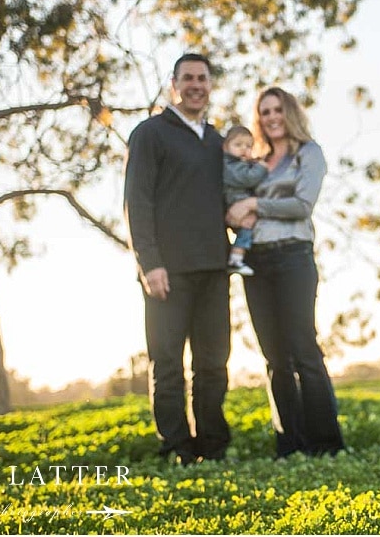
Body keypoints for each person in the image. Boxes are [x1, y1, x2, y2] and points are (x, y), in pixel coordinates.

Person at [123, 52, 232, 466]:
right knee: (167, 364)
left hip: (214, 269)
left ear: (210, 85)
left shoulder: (218, 140)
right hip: (166, 272)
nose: (195, 85)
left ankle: (213, 447)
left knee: (213, 365)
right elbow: (137, 201)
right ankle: (176, 448)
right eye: (187, 78)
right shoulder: (149, 134)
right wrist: (149, 263)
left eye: (202, 78)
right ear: (174, 84)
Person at [225, 86, 345, 459]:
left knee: (304, 349)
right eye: (264, 112)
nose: (271, 117)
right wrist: (235, 212)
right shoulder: (255, 160)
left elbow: (301, 205)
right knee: (274, 356)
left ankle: (326, 443)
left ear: (289, 112)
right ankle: (288, 443)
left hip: (294, 256)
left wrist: (253, 203)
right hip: (256, 263)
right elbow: (236, 206)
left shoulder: (308, 153)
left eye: (277, 109)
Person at [222, 125, 269, 277]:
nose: (244, 149)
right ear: (226, 147)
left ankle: (238, 257)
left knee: (248, 228)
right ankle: (235, 259)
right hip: (235, 202)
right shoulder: (229, 165)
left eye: (248, 146)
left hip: (241, 201)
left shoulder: (238, 163)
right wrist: (261, 167)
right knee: (246, 227)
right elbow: (247, 179)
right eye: (238, 145)